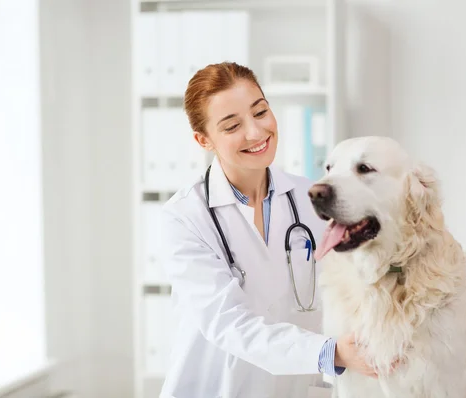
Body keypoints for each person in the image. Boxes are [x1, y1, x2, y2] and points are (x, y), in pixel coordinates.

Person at [158, 62, 382, 398]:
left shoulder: (313, 201)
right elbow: (229, 324)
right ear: (203, 140)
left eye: (260, 111)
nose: (255, 132)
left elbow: (368, 278)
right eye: (232, 126)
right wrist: (330, 353)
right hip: (217, 388)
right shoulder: (184, 217)